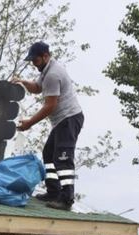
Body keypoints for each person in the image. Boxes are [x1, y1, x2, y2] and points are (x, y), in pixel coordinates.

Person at [11, 41, 84, 210]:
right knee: (49, 154)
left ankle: (66, 199)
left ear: (45, 56)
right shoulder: (46, 70)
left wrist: (29, 123)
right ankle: (53, 191)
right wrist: (22, 82)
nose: (34, 64)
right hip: (61, 121)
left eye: (35, 60)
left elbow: (50, 105)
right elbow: (37, 88)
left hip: (69, 118)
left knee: (63, 158)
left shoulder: (53, 74)